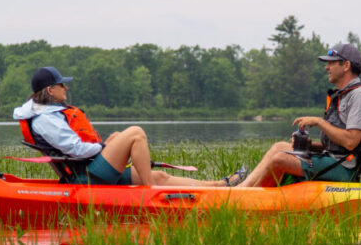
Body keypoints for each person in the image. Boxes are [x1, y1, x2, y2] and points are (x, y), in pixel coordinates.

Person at [13, 66, 243, 187]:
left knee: (159, 175)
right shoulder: (45, 119)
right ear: (50, 90)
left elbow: (76, 149)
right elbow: (75, 149)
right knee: (135, 133)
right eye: (62, 85)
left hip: (88, 169)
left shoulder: (44, 113)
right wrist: (105, 149)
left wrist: (107, 146)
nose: (66, 88)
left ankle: (219, 186)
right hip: (86, 177)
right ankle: (151, 191)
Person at [235, 43, 361, 188]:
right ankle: (242, 189)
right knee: (279, 147)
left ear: (346, 65)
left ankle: (252, 199)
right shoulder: (344, 95)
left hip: (348, 169)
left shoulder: (360, 96)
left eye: (331, 63)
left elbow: (351, 142)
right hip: (336, 161)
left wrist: (319, 122)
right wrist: (311, 146)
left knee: (280, 160)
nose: (326, 67)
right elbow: (337, 147)